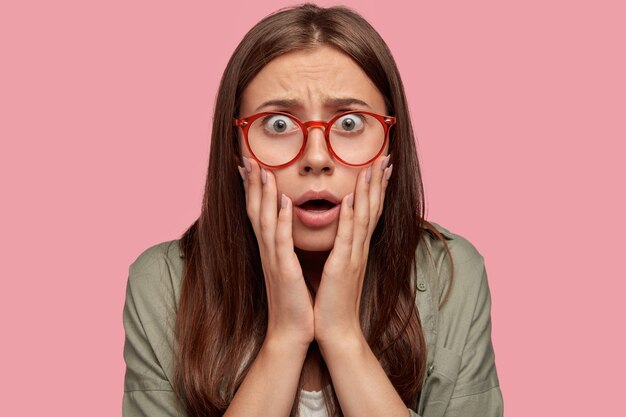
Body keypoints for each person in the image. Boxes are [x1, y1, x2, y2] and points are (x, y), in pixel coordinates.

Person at [122, 3, 503, 417]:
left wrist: (343, 336)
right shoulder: (161, 285)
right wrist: (284, 337)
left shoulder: (453, 274)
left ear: (391, 144)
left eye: (351, 122)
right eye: (279, 124)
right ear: (235, 149)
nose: (316, 157)